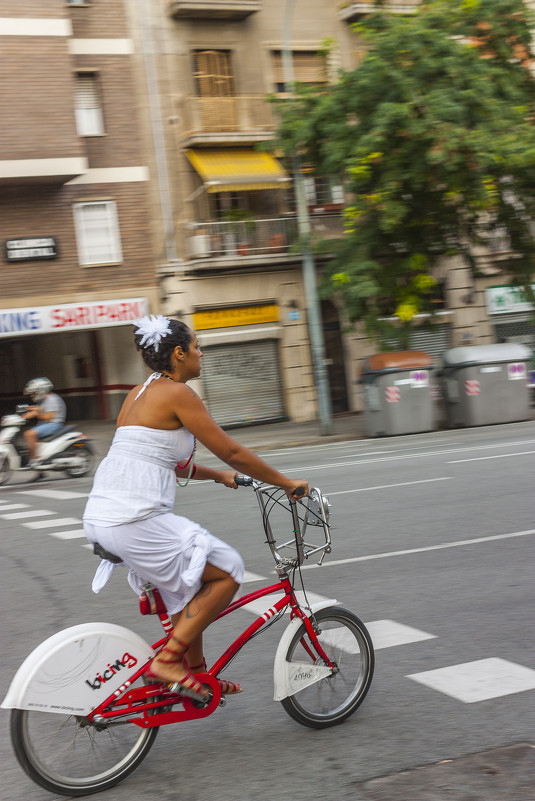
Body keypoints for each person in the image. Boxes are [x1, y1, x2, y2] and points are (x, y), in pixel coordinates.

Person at [83, 314, 308, 701]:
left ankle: (198, 676)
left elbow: (160, 458)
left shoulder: (138, 394)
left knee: (191, 580)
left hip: (105, 517)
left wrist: (216, 475)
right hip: (134, 519)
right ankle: (169, 661)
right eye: (197, 346)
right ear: (179, 353)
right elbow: (233, 450)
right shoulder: (178, 394)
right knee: (228, 570)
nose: (202, 353)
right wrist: (286, 483)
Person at [22, 377, 67, 467]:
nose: (32, 396)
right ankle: (39, 468)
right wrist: (20, 418)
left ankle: (34, 461)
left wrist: (35, 413)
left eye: (34, 393)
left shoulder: (52, 399)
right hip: (46, 424)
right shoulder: (44, 399)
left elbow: (48, 417)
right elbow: (37, 411)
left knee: (29, 434)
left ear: (42, 390)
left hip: (54, 424)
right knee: (31, 441)